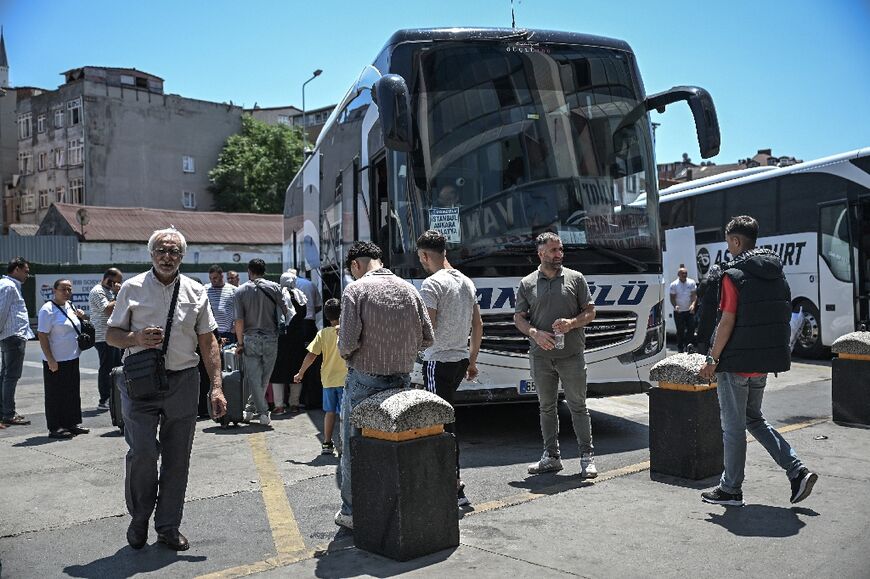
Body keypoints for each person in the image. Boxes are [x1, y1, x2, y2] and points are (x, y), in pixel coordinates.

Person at [107, 227, 226, 551]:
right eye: (161, 250)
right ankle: (139, 517)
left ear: (182, 256)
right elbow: (111, 334)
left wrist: (216, 386)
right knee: (143, 452)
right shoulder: (131, 288)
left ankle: (168, 527)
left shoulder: (195, 291)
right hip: (141, 382)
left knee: (177, 459)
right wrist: (135, 338)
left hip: (183, 382)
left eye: (174, 251)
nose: (167, 256)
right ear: (151, 254)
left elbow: (208, 341)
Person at [699, 215, 818, 507]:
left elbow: (726, 321)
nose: (728, 249)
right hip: (763, 364)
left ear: (737, 241)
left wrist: (712, 360)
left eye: (729, 243)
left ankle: (731, 489)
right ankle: (796, 470)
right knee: (754, 419)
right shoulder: (777, 273)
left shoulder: (733, 275)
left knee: (734, 427)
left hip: (736, 363)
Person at [335, 241, 434, 530]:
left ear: (356, 265)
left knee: (354, 446)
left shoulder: (356, 290)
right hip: (402, 379)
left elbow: (347, 343)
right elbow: (428, 337)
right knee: (395, 443)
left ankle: (351, 511)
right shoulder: (409, 289)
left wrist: (349, 350)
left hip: (365, 380)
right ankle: (394, 503)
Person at [514, 232, 597, 478]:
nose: (558, 254)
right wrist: (534, 333)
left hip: (571, 355)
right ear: (540, 254)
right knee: (546, 407)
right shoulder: (527, 283)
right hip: (541, 356)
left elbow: (591, 312)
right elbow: (519, 317)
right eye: (553, 251)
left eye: (560, 250)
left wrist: (572, 323)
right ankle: (551, 456)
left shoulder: (576, 278)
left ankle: (587, 457)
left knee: (578, 406)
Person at [416, 229, 483, 507]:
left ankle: (452, 485)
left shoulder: (431, 284)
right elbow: (478, 325)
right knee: (447, 421)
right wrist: (472, 360)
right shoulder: (466, 282)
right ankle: (450, 482)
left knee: (439, 425)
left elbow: (426, 329)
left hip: (437, 361)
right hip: (458, 361)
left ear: (424, 255)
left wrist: (414, 350)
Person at [234, 258, 287, 426]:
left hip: (250, 338)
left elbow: (239, 320)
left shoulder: (240, 291)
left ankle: (261, 412)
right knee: (264, 378)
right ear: (265, 271)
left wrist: (240, 343)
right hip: (271, 337)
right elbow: (285, 310)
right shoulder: (275, 287)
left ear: (249, 271)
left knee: (255, 379)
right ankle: (251, 410)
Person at [37, 279, 89, 439]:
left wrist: (82, 317)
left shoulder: (71, 306)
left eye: (69, 289)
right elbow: (42, 335)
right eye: (63, 289)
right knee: (55, 394)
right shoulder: (47, 310)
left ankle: (71, 423)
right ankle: (56, 427)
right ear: (55, 290)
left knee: (72, 392)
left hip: (72, 357)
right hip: (56, 360)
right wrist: (50, 359)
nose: (67, 292)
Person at [293, 298, 346, 455]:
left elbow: (311, 355)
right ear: (343, 313)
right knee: (345, 415)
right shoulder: (346, 332)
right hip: (346, 380)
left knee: (329, 412)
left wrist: (300, 372)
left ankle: (327, 443)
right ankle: (343, 443)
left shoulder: (322, 334)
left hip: (328, 380)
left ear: (327, 317)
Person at [0, 257, 34, 427]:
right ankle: (8, 413)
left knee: (6, 376)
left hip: (12, 336)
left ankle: (5, 411)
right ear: (17, 269)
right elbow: (1, 310)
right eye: (26, 271)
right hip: (12, 336)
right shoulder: (8, 286)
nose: (28, 274)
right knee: (11, 376)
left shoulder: (11, 286)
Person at [270, 270, 307, 414]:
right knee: (296, 371)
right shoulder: (300, 297)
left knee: (278, 372)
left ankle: (279, 405)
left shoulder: (277, 296)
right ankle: (294, 404)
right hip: (296, 340)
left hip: (280, 339)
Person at [89, 268, 123, 410]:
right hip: (103, 335)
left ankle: (114, 396)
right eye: (117, 281)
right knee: (106, 368)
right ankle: (104, 399)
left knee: (116, 367)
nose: (118, 284)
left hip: (112, 334)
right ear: (109, 279)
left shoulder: (107, 291)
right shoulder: (98, 291)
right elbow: (108, 310)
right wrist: (117, 295)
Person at [205, 265, 236, 345]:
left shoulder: (233, 290)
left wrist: (235, 327)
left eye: (215, 278)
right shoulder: (205, 289)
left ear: (221, 276)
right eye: (210, 278)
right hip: (211, 333)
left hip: (228, 334)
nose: (212, 280)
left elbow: (240, 310)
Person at [669, 266, 698, 353]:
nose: (684, 275)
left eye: (685, 273)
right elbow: (672, 297)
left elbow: (694, 295)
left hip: (689, 310)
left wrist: (693, 305)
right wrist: (675, 306)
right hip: (679, 311)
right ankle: (680, 347)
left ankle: (688, 346)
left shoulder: (691, 282)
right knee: (680, 330)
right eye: (682, 273)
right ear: (678, 274)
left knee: (691, 329)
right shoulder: (674, 285)